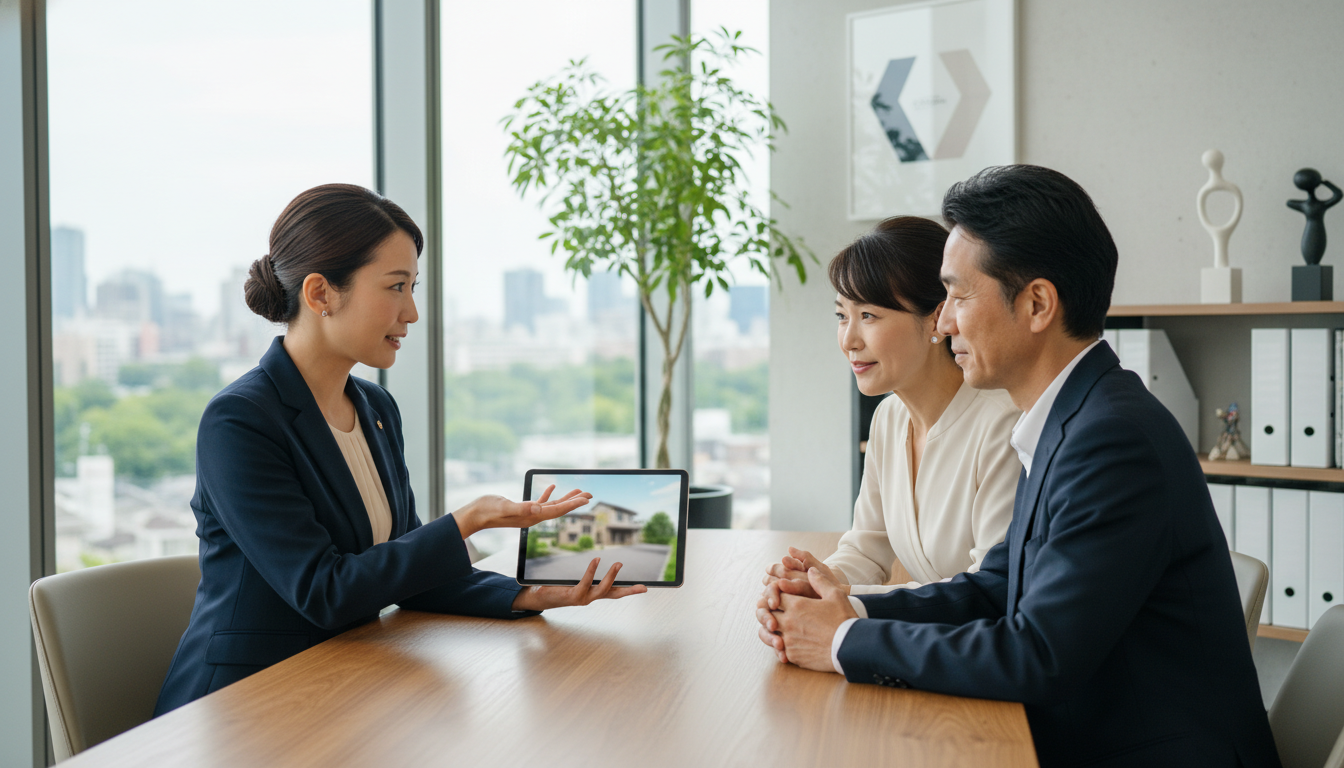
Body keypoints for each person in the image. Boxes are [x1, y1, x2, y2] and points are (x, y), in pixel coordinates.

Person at [757, 166, 1279, 767]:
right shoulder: (1067, 416)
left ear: (1036, 304)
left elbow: (1039, 655)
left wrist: (843, 640)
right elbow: (996, 586)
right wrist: (850, 607)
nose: (944, 321)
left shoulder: (1110, 439)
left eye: (958, 297)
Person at [155, 184, 644, 715]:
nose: (411, 312)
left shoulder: (375, 407)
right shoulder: (240, 421)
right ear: (320, 294)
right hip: (244, 703)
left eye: (413, 287)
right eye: (395, 287)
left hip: (344, 683)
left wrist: (530, 594)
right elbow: (324, 592)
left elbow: (404, 572)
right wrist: (468, 521)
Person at [762, 216, 1019, 596]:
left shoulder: (1004, 425)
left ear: (937, 319)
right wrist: (816, 582)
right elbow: (866, 549)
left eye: (868, 315)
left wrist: (841, 598)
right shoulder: (890, 417)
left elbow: (989, 588)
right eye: (842, 316)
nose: (849, 340)